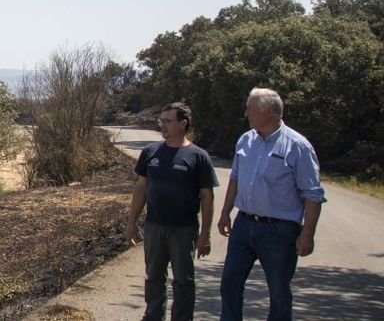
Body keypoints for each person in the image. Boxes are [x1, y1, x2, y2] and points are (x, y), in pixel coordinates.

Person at [217, 88, 326, 321]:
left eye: (250, 108)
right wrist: (225, 212)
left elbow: (313, 194)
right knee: (229, 283)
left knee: (278, 292)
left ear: (269, 112)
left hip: (280, 231)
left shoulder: (298, 146)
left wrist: (307, 234)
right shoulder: (245, 140)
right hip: (244, 225)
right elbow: (235, 179)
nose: (246, 113)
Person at [126, 102, 219, 321]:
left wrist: (205, 234)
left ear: (183, 123)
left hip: (184, 230)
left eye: (167, 121)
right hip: (154, 226)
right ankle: (153, 316)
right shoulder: (150, 152)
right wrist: (132, 222)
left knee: (183, 281)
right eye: (161, 121)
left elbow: (207, 197)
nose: (162, 126)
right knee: (154, 277)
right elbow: (141, 188)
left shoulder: (198, 156)